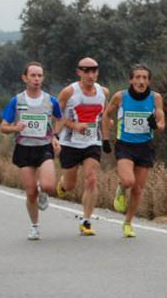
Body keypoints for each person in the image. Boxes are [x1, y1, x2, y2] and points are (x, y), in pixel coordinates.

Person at [0, 61, 62, 240]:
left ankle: (45, 193)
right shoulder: (17, 101)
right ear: (25, 78)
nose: (36, 79)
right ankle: (35, 226)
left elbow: (60, 119)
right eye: (33, 75)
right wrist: (15, 128)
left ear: (43, 78)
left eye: (39, 75)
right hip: (24, 148)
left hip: (44, 147)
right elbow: (3, 127)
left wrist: (55, 136)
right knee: (30, 192)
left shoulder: (50, 100)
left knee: (48, 185)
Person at [102, 63, 165, 238]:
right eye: (137, 77)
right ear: (131, 80)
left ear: (149, 81)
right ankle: (121, 189)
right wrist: (105, 138)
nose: (141, 81)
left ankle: (128, 223)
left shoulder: (155, 98)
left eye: (144, 78)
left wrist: (156, 124)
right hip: (125, 145)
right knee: (129, 181)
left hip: (145, 146)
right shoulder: (120, 97)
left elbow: (162, 124)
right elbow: (106, 115)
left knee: (138, 189)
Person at [56, 57, 109, 236]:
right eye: (86, 71)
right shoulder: (69, 92)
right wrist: (73, 126)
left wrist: (107, 138)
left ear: (98, 73)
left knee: (91, 178)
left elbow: (103, 117)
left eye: (94, 71)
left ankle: (86, 221)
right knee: (70, 185)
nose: (90, 74)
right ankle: (62, 185)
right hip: (70, 143)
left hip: (92, 142)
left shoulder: (103, 92)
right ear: (79, 72)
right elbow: (55, 115)